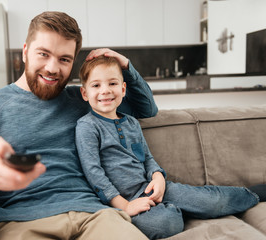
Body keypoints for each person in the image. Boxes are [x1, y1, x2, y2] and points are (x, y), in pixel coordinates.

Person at [0, 11, 158, 239]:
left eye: (64, 59)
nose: (53, 68)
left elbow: (146, 109)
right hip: (22, 221)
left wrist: (125, 65)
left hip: (95, 216)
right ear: (25, 51)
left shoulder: (85, 99)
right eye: (43, 54)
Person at [75, 55, 266, 240]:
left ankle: (254, 194)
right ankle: (179, 209)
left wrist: (158, 176)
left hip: (154, 189)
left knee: (211, 200)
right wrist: (125, 206)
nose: (105, 90)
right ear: (85, 93)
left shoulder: (131, 123)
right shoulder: (87, 126)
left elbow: (147, 158)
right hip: (125, 201)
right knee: (167, 224)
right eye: (96, 85)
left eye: (113, 83)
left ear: (123, 89)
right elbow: (94, 173)